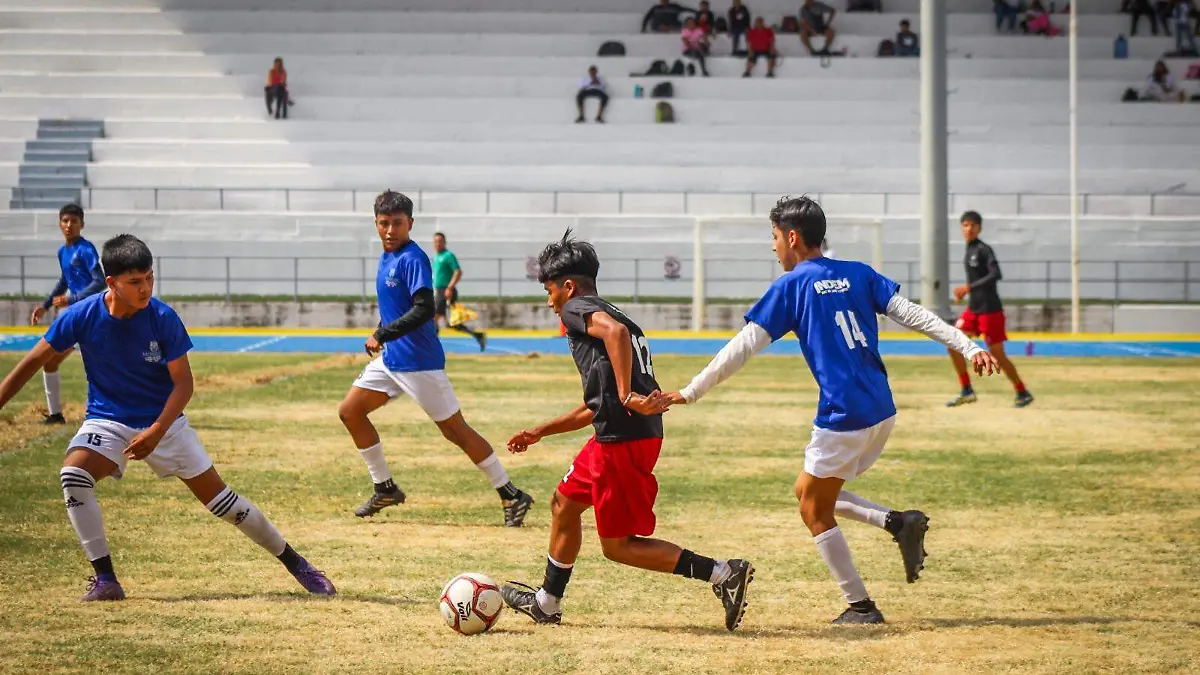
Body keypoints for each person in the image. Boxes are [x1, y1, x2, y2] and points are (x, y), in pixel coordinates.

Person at [660, 196, 1000, 624]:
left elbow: (742, 347)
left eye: (774, 237)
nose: (773, 247)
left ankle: (861, 605)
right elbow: (915, 315)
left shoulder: (792, 285)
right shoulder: (858, 273)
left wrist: (691, 391)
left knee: (813, 509)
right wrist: (968, 346)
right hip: (881, 408)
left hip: (843, 415)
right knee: (809, 491)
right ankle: (898, 522)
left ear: (793, 237)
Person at [0, 234, 336, 602]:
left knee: (223, 503)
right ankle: (106, 580)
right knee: (74, 477)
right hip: (107, 420)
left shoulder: (162, 317)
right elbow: (31, 363)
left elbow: (184, 385)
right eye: (135, 282)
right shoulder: (82, 315)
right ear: (111, 283)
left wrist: (157, 431)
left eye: (149, 278)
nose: (145, 288)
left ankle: (295, 563)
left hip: (166, 423)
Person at [499, 230, 754, 631]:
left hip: (623, 440)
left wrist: (625, 393)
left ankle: (723, 574)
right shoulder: (618, 315)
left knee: (618, 546)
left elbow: (615, 377)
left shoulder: (579, 311)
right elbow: (596, 405)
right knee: (564, 504)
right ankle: (546, 602)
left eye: (550, 291)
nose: (549, 302)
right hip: (619, 433)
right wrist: (539, 431)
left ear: (568, 286)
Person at [336, 191, 534, 526]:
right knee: (350, 412)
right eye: (384, 223)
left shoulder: (413, 258)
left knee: (455, 431)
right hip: (391, 361)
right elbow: (397, 308)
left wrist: (382, 334)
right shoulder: (387, 256)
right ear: (376, 223)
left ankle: (511, 494)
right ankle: (384, 487)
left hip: (419, 363)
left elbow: (424, 309)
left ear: (409, 224)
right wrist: (382, 328)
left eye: (397, 223)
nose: (390, 230)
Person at [946, 211, 1035, 408]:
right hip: (974, 309)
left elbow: (996, 274)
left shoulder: (984, 250)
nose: (968, 229)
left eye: (972, 225)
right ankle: (967, 390)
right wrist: (967, 292)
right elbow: (977, 280)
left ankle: (1022, 391)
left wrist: (968, 288)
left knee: (997, 355)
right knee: (953, 344)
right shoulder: (968, 250)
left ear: (979, 228)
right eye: (965, 225)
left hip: (990, 310)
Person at [29, 203, 104, 425]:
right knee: (50, 362)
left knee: (100, 365)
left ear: (82, 224)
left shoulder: (86, 249)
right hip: (73, 317)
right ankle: (56, 415)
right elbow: (65, 280)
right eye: (65, 221)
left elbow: (99, 281)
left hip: (90, 315)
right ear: (60, 223)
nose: (69, 225)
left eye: (74, 221)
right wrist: (46, 304)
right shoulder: (63, 252)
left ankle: (105, 414)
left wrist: (71, 299)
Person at [432, 232, 487, 350]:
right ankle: (478, 335)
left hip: (446, 291)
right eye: (435, 241)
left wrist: (450, 287)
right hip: (439, 291)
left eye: (440, 241)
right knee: (449, 323)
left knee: (434, 318)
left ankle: (432, 348)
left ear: (444, 242)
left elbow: (458, 272)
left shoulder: (448, 256)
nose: (437, 244)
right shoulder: (436, 257)